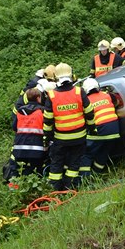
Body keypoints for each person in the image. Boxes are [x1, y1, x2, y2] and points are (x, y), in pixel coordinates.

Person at [43, 63, 95, 191]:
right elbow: (89, 112)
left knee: (57, 164)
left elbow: (48, 121)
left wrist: (47, 138)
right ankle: (69, 187)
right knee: (74, 163)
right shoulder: (79, 91)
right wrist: (92, 128)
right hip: (79, 137)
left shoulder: (52, 95)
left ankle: (55, 190)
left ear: (56, 77)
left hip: (60, 139)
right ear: (71, 75)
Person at [79, 78, 120, 178]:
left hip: (100, 130)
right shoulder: (107, 95)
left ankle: (84, 179)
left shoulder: (86, 101)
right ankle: (97, 174)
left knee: (86, 154)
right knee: (103, 152)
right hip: (115, 130)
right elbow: (117, 102)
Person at [5, 88, 48, 182]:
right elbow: (47, 128)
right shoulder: (42, 111)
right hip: (36, 149)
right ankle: (34, 191)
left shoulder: (20, 111)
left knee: (19, 172)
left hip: (19, 148)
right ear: (38, 98)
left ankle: (15, 191)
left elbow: (14, 127)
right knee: (36, 172)